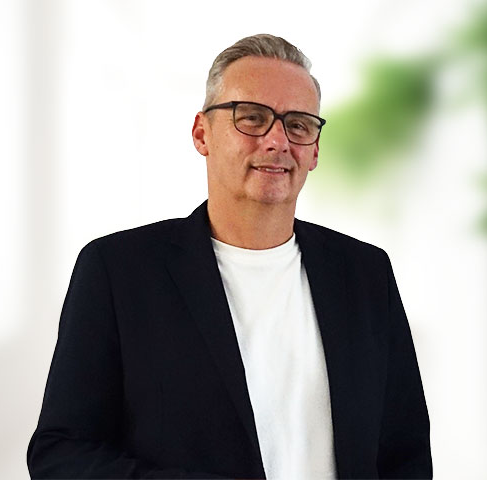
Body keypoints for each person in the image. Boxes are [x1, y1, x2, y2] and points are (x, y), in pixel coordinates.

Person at [27, 34, 432, 479]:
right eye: (252, 117)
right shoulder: (117, 271)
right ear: (202, 133)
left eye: (298, 125)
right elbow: (61, 454)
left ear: (315, 149)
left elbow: (405, 453)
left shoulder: (366, 273)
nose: (277, 141)